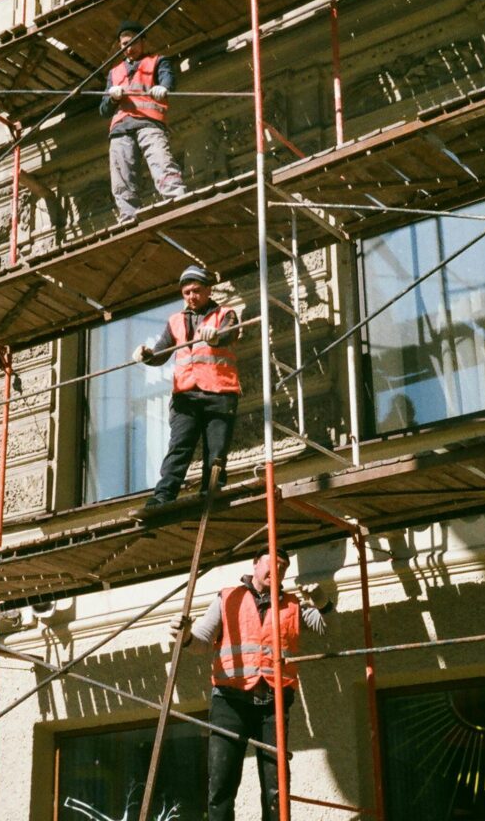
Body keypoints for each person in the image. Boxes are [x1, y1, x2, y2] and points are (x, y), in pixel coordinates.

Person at [170, 546, 332, 821]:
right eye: (272, 563)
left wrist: (322, 601)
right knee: (222, 783)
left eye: (283, 567)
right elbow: (201, 642)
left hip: (273, 701)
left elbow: (324, 627)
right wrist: (185, 636)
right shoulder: (228, 598)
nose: (277, 570)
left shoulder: (292, 605)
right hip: (230, 701)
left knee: (276, 787)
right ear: (255, 564)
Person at [132, 265, 240, 510]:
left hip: (219, 392)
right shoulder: (175, 321)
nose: (191, 296)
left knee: (216, 450)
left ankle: (211, 491)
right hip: (186, 395)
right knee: (179, 447)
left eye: (197, 290)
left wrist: (216, 335)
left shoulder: (226, 313)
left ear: (209, 290)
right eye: (187, 292)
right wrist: (147, 354)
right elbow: (162, 351)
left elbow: (228, 334)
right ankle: (163, 495)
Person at [100, 20, 187, 222]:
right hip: (121, 128)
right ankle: (128, 216)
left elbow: (168, 80)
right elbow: (104, 110)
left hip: (149, 123)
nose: (128, 48)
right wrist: (112, 98)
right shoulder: (114, 73)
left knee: (161, 161)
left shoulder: (158, 61)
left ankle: (176, 196)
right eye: (124, 45)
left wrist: (163, 88)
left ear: (143, 42)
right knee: (122, 175)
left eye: (132, 43)